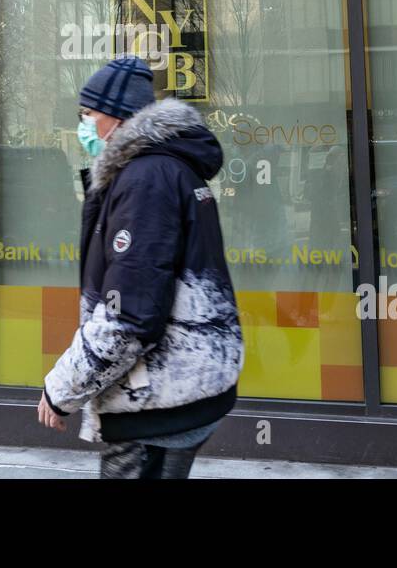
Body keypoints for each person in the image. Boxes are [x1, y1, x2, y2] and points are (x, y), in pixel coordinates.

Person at [37, 56, 244, 478]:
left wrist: (61, 390)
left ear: (114, 118)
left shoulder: (145, 179)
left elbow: (128, 317)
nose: (84, 125)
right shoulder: (164, 169)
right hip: (178, 394)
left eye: (88, 114)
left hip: (158, 408)